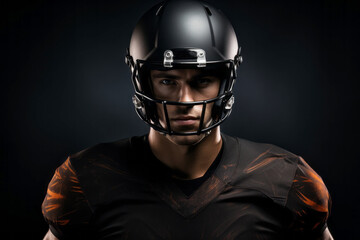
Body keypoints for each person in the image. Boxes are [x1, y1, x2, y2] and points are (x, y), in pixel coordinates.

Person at [42, 0, 333, 239]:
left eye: (202, 80)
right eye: (168, 81)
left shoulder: (286, 181)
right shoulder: (86, 180)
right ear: (143, 81)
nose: (185, 100)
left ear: (225, 81)